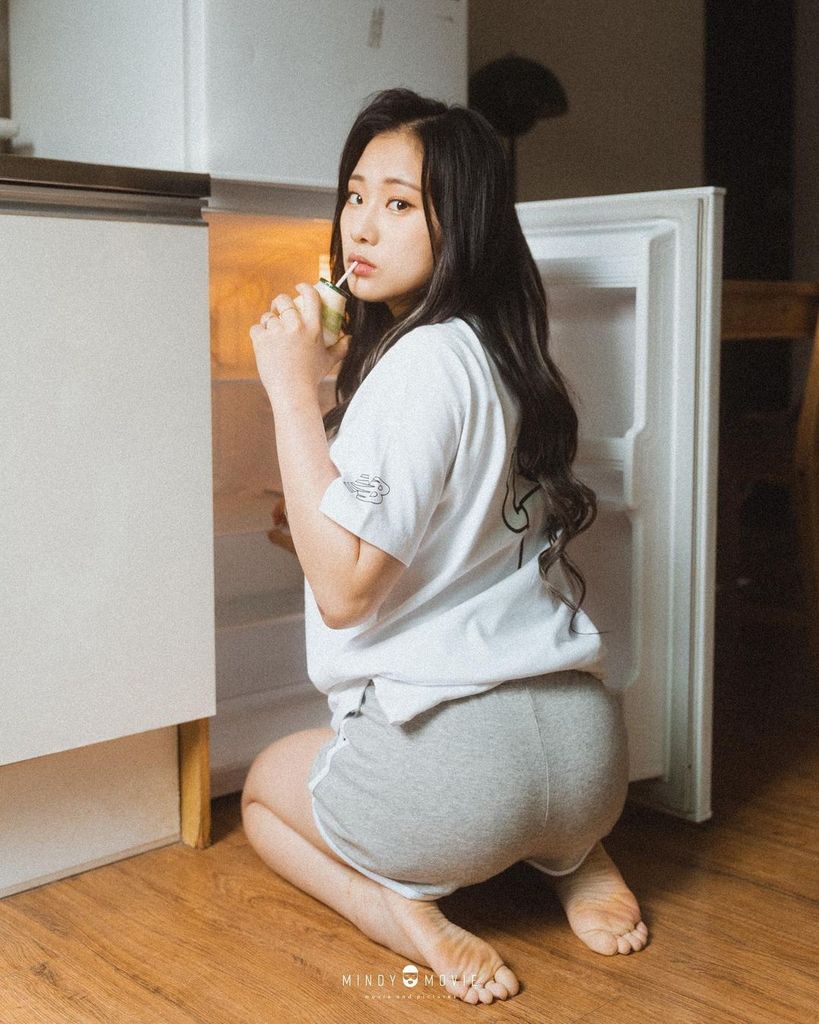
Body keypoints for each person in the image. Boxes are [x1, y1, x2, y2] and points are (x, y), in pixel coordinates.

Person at [241, 88, 648, 1006]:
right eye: (355, 196)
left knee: (264, 790)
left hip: (455, 789)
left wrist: (290, 392)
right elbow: (445, 539)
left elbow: (345, 594)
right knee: (539, 811)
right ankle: (575, 858)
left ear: (459, 225)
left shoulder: (416, 364)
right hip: (589, 761)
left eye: (398, 204)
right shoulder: (503, 353)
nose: (360, 226)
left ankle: (400, 916)